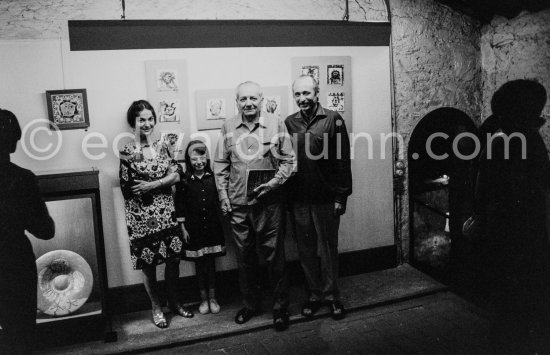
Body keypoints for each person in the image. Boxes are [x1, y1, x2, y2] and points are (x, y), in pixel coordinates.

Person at [474, 79, 550, 352]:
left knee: (512, 297)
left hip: (513, 226)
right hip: (520, 226)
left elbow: (484, 185)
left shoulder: (507, 140)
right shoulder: (521, 139)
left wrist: (481, 215)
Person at [214, 81, 295, 331]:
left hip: (269, 204)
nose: (248, 103)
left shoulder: (276, 123)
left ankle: (280, 307)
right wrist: (223, 197)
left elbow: (289, 161)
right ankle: (250, 304)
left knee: (275, 258)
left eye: (253, 98)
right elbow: (220, 164)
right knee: (245, 258)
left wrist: (272, 185)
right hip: (239, 205)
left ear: (261, 100)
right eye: (243, 99)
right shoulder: (228, 126)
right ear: (236, 102)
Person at [119, 100, 193, 329]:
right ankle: (156, 307)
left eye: (150, 118)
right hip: (141, 218)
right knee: (148, 265)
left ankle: (174, 302)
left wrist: (153, 184)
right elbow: (128, 187)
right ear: (133, 123)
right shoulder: (127, 152)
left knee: (173, 261)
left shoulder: (164, 146)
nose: (147, 123)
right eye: (142, 119)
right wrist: (163, 181)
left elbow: (178, 175)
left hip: (166, 214)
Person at [285, 75, 352, 320]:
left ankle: (332, 297)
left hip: (326, 198)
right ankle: (314, 296)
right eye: (298, 94)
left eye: (307, 93)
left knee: (328, 250)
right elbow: (285, 162)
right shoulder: (289, 123)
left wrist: (341, 197)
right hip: (300, 200)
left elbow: (343, 160)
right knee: (306, 251)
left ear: (317, 92)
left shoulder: (333, 119)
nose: (302, 98)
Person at [0, 109, 55, 354]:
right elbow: (45, 230)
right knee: (20, 334)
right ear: (14, 140)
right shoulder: (22, 179)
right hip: (14, 260)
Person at [175, 140, 225, 315]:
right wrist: (183, 228)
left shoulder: (213, 178)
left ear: (207, 158)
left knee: (211, 263)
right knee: (199, 264)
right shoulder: (185, 181)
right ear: (189, 161)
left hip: (212, 228)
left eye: (202, 158)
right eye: (194, 159)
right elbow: (179, 204)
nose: (199, 162)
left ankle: (213, 298)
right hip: (194, 229)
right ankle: (203, 299)